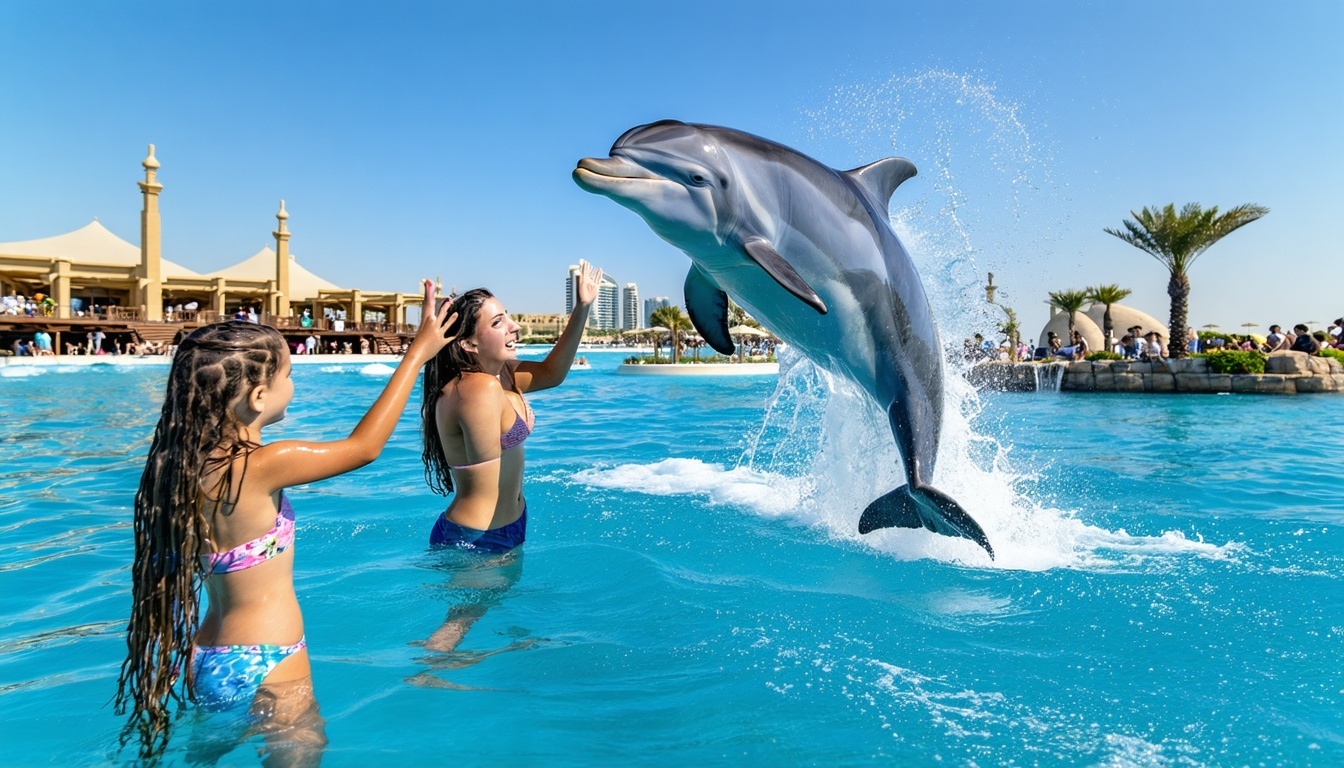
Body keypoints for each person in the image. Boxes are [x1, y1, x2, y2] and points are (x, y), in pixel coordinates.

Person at [114, 280, 455, 759]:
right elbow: (364, 448)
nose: (293, 386)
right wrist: (416, 355)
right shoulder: (265, 463)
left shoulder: (180, 469)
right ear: (257, 396)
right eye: (289, 376)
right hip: (269, 659)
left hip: (205, 655)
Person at [416, 261, 602, 654]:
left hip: (505, 527)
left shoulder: (498, 376)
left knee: (473, 617)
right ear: (467, 343)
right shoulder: (477, 390)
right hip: (480, 538)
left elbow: (553, 372)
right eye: (498, 322)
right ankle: (427, 682)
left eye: (509, 317)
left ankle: (499, 651)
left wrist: (582, 307)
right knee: (454, 630)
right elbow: (488, 480)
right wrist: (521, 426)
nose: (514, 327)